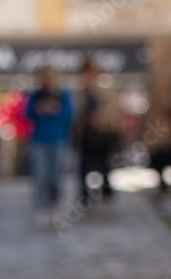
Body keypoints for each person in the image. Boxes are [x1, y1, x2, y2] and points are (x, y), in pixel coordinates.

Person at [25, 65, 73, 223]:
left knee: (56, 174)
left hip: (58, 139)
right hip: (38, 140)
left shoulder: (62, 94)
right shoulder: (35, 94)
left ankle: (57, 204)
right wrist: (38, 108)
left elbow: (69, 115)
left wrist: (54, 109)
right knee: (40, 175)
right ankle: (40, 207)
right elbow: (26, 113)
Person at [74, 58, 120, 207]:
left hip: (102, 136)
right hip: (85, 137)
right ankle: (85, 201)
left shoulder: (105, 88)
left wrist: (100, 118)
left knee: (104, 168)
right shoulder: (80, 91)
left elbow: (114, 109)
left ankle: (107, 197)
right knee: (83, 170)